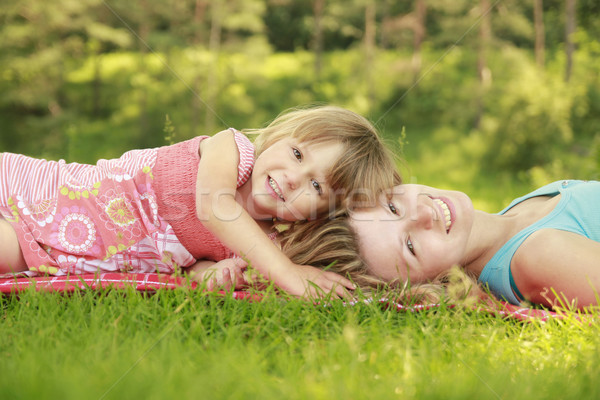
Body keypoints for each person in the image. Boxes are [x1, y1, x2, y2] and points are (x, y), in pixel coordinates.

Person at [0, 105, 399, 298]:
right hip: (35, 200)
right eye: (297, 154)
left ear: (320, 214)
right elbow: (213, 207)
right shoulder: (233, 150)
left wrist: (214, 274)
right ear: (278, 136)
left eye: (316, 187)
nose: (294, 177)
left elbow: (189, 269)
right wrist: (289, 273)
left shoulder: (258, 244)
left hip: (50, 255)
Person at [344, 180, 600, 310]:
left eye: (392, 206)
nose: (423, 213)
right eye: (410, 246)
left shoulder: (513, 217)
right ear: (426, 283)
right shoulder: (538, 256)